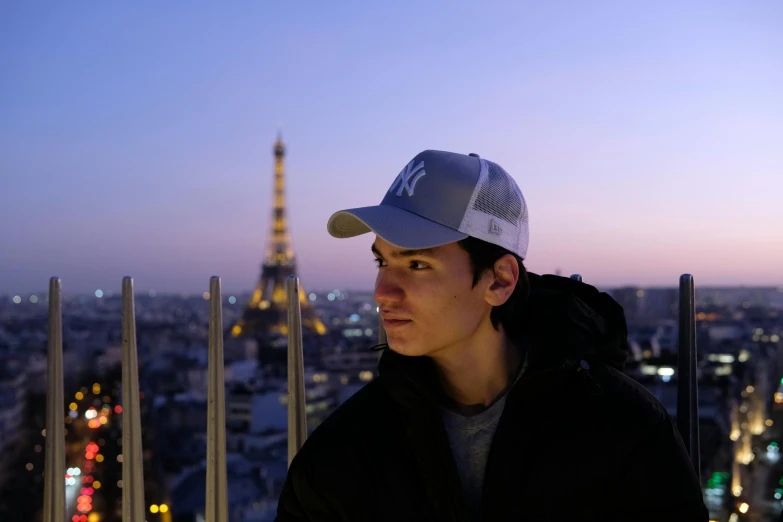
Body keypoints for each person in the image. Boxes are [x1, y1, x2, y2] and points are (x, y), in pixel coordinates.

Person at [275, 150, 708, 521]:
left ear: (499, 280)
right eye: (381, 263)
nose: (382, 293)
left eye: (417, 265)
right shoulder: (342, 452)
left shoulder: (626, 432)